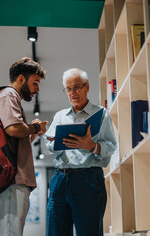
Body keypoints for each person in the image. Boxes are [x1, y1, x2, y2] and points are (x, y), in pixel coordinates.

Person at [44, 68, 117, 236]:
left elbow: (112, 146)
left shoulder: (101, 114)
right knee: (55, 232)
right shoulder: (60, 116)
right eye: (68, 89)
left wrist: (91, 146)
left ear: (87, 87)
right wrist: (52, 142)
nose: (73, 92)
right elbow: (50, 149)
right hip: (59, 180)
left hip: (88, 180)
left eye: (77, 87)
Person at [0, 57, 48, 236]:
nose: (37, 89)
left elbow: (13, 140)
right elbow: (13, 129)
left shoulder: (11, 98)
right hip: (10, 182)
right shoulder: (8, 94)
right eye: (35, 83)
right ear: (21, 79)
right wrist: (35, 127)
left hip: (12, 181)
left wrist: (32, 133)